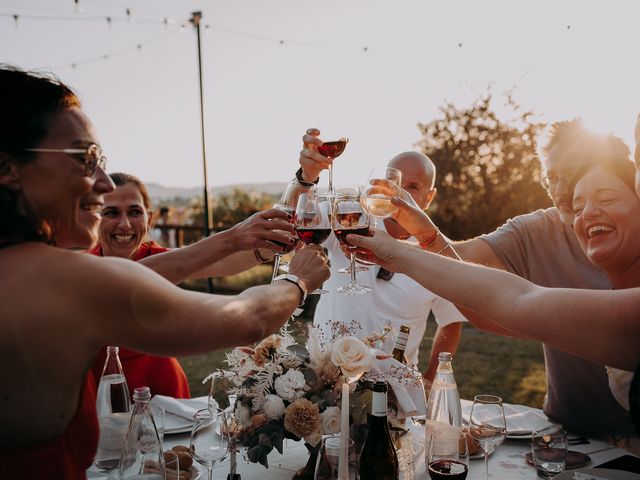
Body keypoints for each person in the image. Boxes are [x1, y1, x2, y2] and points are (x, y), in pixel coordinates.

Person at [0, 65, 330, 478]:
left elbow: (145, 272)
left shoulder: (44, 274)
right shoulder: (67, 278)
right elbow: (249, 320)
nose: (102, 183)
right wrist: (297, 282)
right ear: (8, 167)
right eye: (85, 159)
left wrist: (234, 238)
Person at [359, 120, 634, 437]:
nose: (562, 190)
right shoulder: (535, 229)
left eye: (572, 175)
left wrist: (403, 251)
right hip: (563, 427)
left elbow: (517, 303)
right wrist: (422, 235)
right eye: (551, 179)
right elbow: (471, 271)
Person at [88, 172, 293, 399]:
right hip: (102, 392)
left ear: (150, 219)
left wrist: (272, 241)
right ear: (95, 218)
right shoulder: (81, 270)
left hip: (163, 390)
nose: (124, 224)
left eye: (134, 212)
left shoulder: (165, 258)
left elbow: (225, 261)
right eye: (112, 213)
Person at [295, 128, 466, 386]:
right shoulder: (350, 221)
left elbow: (452, 322)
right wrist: (308, 176)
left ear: (429, 197)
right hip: (324, 375)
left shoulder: (437, 252)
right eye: (394, 185)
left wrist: (431, 379)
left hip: (393, 386)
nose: (399, 195)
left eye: (413, 187)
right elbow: (298, 218)